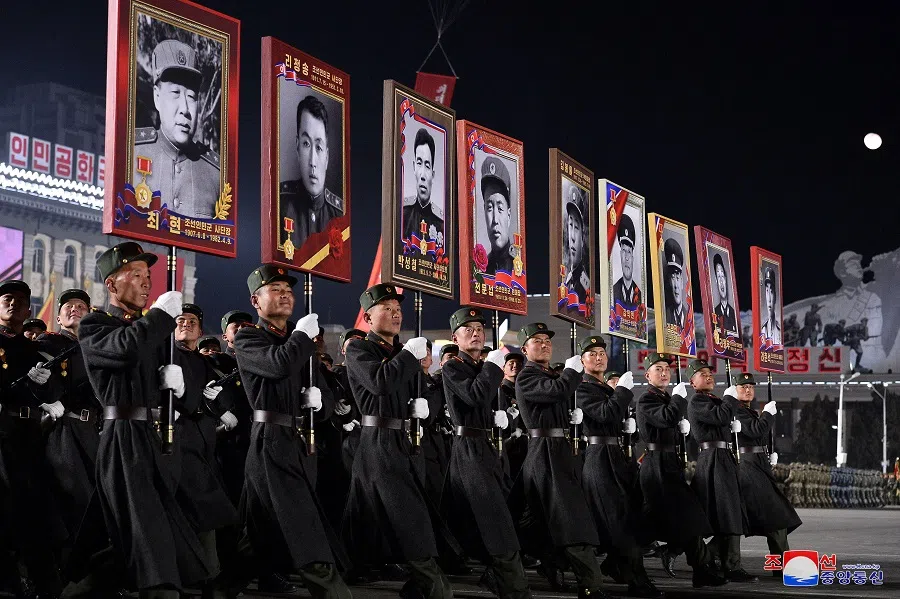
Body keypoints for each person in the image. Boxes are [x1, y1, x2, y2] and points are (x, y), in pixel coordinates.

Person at [77, 242, 215, 597]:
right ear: (111, 285)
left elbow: (189, 397)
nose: (145, 282)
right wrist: (159, 317)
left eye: (148, 276)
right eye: (135, 275)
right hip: (124, 437)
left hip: (160, 438)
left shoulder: (154, 331)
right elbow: (124, 347)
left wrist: (179, 387)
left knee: (146, 532)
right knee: (148, 532)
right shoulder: (95, 325)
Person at [229, 264, 349, 598]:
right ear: (256, 300)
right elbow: (279, 363)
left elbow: (327, 397)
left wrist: (319, 402)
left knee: (260, 529)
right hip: (271, 439)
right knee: (303, 522)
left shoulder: (301, 342)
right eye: (276, 289)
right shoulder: (248, 337)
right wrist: (301, 337)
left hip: (302, 442)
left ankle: (222, 588)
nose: (285, 295)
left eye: (289, 290)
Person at [342, 283, 456, 599]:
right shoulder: (359, 349)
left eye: (398, 309)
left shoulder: (401, 352)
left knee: (391, 515)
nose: (395, 314)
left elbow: (428, 392)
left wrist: (425, 405)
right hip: (378, 441)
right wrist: (408, 355)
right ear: (367, 316)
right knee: (407, 514)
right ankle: (430, 582)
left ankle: (414, 581)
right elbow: (380, 382)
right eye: (387, 309)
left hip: (408, 441)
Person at [512, 322, 609, 599]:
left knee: (539, 519)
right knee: (571, 518)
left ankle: (509, 568)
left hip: (558, 450)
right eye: (537, 341)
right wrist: (569, 373)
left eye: (547, 340)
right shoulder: (527, 376)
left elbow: (560, 396)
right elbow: (555, 391)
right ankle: (591, 584)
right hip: (545, 451)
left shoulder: (547, 374)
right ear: (525, 349)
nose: (544, 344)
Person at [440, 308, 530, 599]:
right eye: (469, 329)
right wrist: (493, 367)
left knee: (468, 517)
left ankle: (424, 582)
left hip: (487, 446)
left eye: (480, 328)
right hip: (468, 448)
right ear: (456, 337)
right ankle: (515, 586)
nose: (477, 332)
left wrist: (500, 416)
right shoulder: (453, 367)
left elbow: (485, 402)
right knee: (494, 515)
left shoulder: (481, 366)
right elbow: (476, 395)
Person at [576, 336, 661, 598]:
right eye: (592, 354)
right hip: (599, 458)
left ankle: (617, 567)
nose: (599, 357)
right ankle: (635, 579)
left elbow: (613, 418)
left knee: (626, 518)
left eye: (602, 353)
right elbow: (604, 414)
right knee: (618, 519)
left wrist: (629, 431)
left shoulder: (604, 389)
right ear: (582, 361)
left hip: (616, 456)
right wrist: (622, 393)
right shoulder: (583, 389)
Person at [635, 352, 725, 588]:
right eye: (658, 369)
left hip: (669, 463)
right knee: (654, 521)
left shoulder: (665, 399)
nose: (664, 372)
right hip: (656, 465)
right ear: (647, 375)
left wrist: (681, 431)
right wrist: (677, 402)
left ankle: (700, 568)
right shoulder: (646, 400)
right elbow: (665, 418)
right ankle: (624, 561)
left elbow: (670, 422)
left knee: (687, 517)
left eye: (667, 368)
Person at [0, 280, 64, 597]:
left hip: (30, 436)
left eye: (20, 301)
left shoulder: (34, 351)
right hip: (1, 435)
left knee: (33, 510)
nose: (13, 304)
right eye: (7, 298)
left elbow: (48, 395)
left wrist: (41, 383)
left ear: (29, 310)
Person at [170, 304, 238, 589]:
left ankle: (203, 578)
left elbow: (221, 406)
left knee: (205, 516)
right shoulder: (165, 357)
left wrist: (217, 406)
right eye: (180, 320)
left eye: (192, 321)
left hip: (203, 445)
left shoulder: (203, 362)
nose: (186, 324)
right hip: (177, 444)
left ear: (200, 329)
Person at [36, 289, 103, 569]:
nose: (74, 309)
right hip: (63, 429)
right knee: (73, 499)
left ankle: (81, 572)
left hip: (94, 432)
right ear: (59, 316)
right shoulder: (49, 342)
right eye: (68, 306)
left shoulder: (97, 348)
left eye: (81, 306)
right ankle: (63, 574)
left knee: (95, 505)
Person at [685, 359, 756, 583]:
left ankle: (726, 563)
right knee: (728, 512)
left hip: (724, 457)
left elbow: (723, 418)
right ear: (692, 382)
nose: (708, 376)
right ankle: (721, 562)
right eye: (702, 374)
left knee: (731, 513)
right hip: (713, 457)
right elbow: (720, 417)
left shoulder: (713, 400)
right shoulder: (697, 400)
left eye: (709, 373)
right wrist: (730, 400)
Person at [134, 40, 220, 219]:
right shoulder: (132, 154)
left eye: (191, 96)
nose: (185, 109)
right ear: (157, 98)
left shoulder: (215, 174)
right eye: (175, 93)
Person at [732, 372, 802, 578]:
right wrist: (768, 414)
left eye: (751, 387)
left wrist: (767, 453)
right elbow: (755, 431)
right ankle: (782, 566)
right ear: (734, 390)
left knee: (763, 519)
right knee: (775, 516)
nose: (748, 390)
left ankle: (781, 565)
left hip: (758, 464)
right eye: (743, 387)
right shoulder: (736, 411)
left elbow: (760, 434)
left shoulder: (748, 411)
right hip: (748, 467)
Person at [280, 95, 344, 250]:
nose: (312, 161)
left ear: (327, 157)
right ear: (297, 147)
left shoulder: (340, 215)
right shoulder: (280, 204)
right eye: (306, 144)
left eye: (319, 147)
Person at [403, 128, 444, 245]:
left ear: (433, 173)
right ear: (414, 167)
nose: (422, 175)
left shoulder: (441, 224)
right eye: (419, 163)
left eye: (427, 165)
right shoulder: (403, 214)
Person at [481, 155, 515, 275]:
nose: (495, 219)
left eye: (500, 208)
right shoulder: (482, 268)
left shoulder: (517, 266)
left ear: (509, 215)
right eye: (489, 208)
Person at [563, 186, 590, 307]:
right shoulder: (566, 281)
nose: (572, 236)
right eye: (570, 225)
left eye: (577, 227)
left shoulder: (586, 286)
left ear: (583, 235)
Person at [612, 213, 641, 310]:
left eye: (629, 252)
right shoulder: (612, 291)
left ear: (633, 257)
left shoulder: (641, 296)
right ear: (620, 255)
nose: (626, 258)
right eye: (624, 251)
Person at [663, 238, 687, 331]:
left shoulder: (688, 318)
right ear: (669, 281)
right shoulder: (665, 316)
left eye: (677, 278)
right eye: (673, 278)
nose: (676, 285)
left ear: (681, 281)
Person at [712, 254, 737, 334]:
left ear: (726, 279)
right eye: (719, 277)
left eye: (722, 276)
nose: (721, 281)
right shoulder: (714, 313)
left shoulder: (734, 314)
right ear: (716, 280)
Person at [760, 268, 781, 346]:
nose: (768, 298)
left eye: (771, 291)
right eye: (767, 291)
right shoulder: (762, 329)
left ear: (775, 296)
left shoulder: (780, 330)